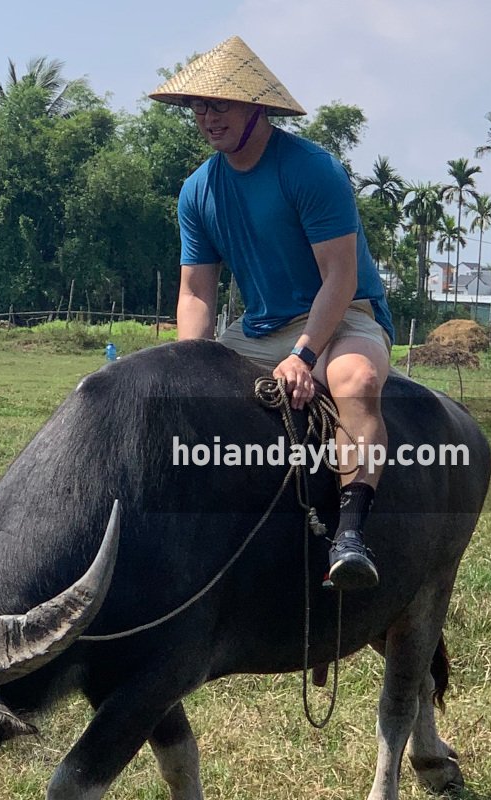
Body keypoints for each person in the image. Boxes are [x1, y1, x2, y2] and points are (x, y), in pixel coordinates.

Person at [150, 36, 395, 591]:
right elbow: (195, 294)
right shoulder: (197, 191)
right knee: (165, 392)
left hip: (341, 314)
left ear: (257, 109)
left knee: (354, 382)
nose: (206, 118)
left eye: (220, 105)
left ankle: (351, 535)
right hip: (259, 326)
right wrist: (190, 366)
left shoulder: (311, 170)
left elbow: (340, 276)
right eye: (198, 106)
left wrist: (302, 356)